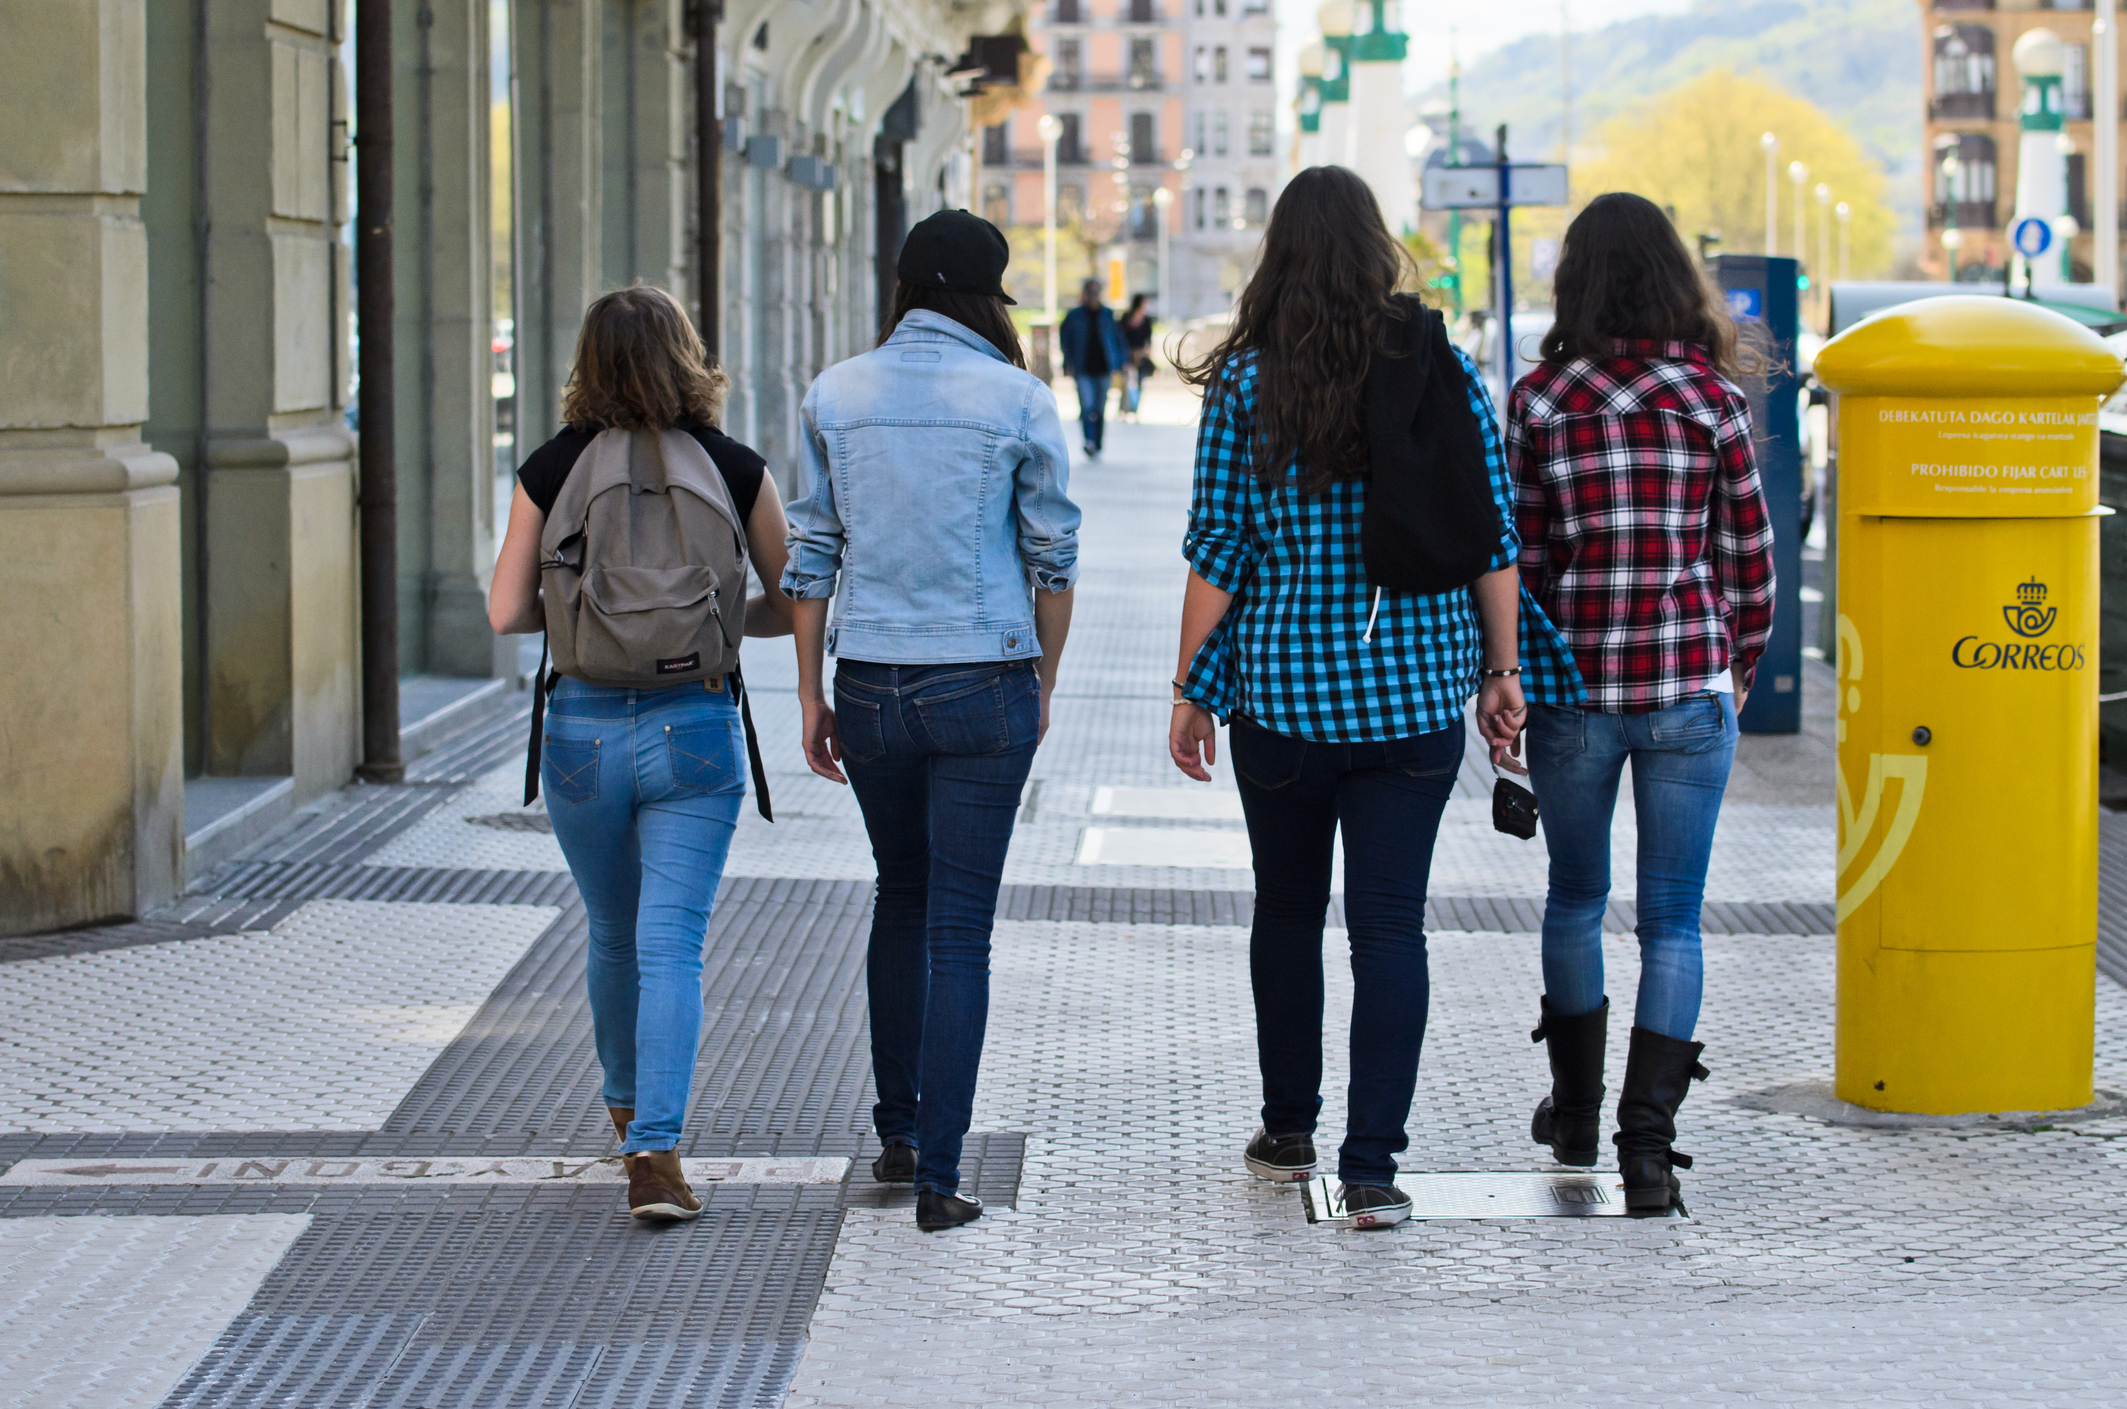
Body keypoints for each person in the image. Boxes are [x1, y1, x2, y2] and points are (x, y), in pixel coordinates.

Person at [1167, 167, 1565, 1229]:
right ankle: (1375, 1164)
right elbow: (1490, 536)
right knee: (1391, 929)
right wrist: (1502, 670)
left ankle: (1289, 1124)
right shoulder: (1441, 363)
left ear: (1280, 254)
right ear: (1377, 246)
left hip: (1286, 697)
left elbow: (1220, 546)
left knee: (1288, 911)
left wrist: (1189, 689)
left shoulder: (1249, 380)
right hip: (1413, 700)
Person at [783, 209, 1081, 1232]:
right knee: (960, 923)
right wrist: (1042, 680)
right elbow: (1052, 557)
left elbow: (810, 553)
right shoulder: (1019, 399)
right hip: (982, 678)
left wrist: (812, 692)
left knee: (898, 894)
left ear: (905, 285)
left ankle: (899, 1129)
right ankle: (943, 1174)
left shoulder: (836, 393)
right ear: (989, 297)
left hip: (869, 680)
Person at [488, 285, 797, 1223]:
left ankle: (624, 1108)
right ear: (688, 356)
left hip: (580, 729)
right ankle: (655, 1155)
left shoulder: (552, 465)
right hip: (695, 727)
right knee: (673, 942)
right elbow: (792, 601)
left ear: (586, 361)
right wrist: (696, 626)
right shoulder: (734, 465)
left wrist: (593, 615)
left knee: (612, 931)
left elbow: (505, 612)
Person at [1506, 191, 1776, 1213]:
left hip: (1576, 691)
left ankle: (1574, 1114)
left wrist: (1512, 677)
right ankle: (1647, 1154)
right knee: (1674, 921)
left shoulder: (1541, 400)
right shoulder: (1711, 397)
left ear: (1576, 279)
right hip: (1688, 688)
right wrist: (1737, 661)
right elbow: (1748, 557)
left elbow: (1521, 563)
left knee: (1576, 898)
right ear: (1673, 278)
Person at [1058, 278, 1128, 456]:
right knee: (1087, 406)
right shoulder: (1074, 315)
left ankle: (1097, 442)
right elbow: (1065, 340)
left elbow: (1118, 339)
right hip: (1082, 369)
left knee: (1100, 408)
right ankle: (1088, 441)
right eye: (1090, 292)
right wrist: (1067, 362)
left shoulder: (1107, 315)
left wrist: (1122, 362)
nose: (1092, 296)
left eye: (1096, 292)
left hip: (1104, 368)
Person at [1119, 293, 1156, 419]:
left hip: (1140, 356)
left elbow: (1148, 339)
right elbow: (1120, 336)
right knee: (1126, 383)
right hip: (1127, 355)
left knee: (1139, 383)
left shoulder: (1146, 320)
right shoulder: (1126, 318)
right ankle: (1124, 409)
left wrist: (1147, 353)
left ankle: (1135, 410)